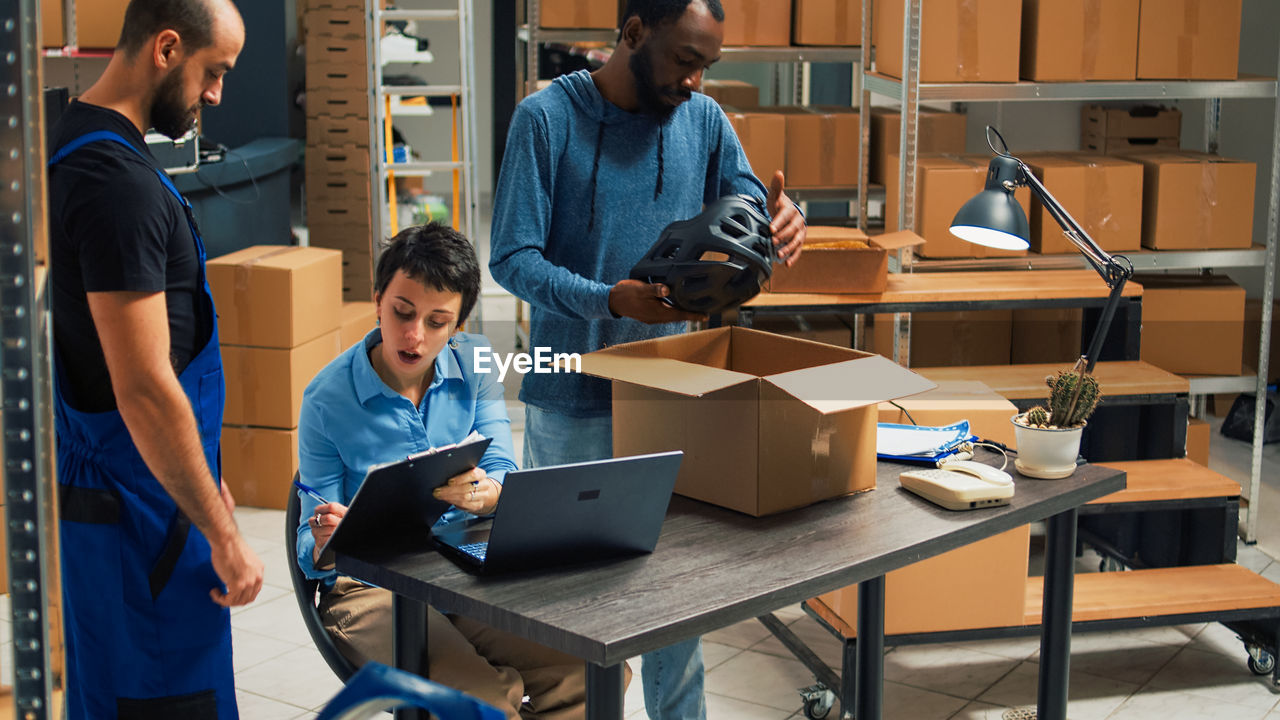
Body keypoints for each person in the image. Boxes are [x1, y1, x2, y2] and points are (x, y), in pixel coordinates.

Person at [488, 1, 806, 717]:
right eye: (684, 60)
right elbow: (510, 258)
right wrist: (611, 300)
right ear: (632, 35)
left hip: (669, 396)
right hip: (571, 396)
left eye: (707, 66)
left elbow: (750, 197)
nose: (696, 81)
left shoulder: (703, 120)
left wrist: (787, 218)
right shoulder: (546, 119)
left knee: (673, 609)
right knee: (569, 610)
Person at [46, 1, 262, 718]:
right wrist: (226, 538)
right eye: (214, 73)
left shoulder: (86, 142)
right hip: (143, 524)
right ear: (167, 48)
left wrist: (206, 488)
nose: (216, 96)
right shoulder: (119, 185)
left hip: (141, 501)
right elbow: (142, 387)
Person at [296, 223, 599, 720]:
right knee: (484, 701)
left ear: (459, 325)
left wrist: (490, 493)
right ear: (378, 300)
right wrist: (328, 538)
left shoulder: (476, 358)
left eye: (437, 321)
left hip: (457, 568)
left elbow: (502, 466)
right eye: (401, 312)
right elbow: (311, 554)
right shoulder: (327, 399)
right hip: (367, 589)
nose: (414, 336)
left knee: (590, 672)